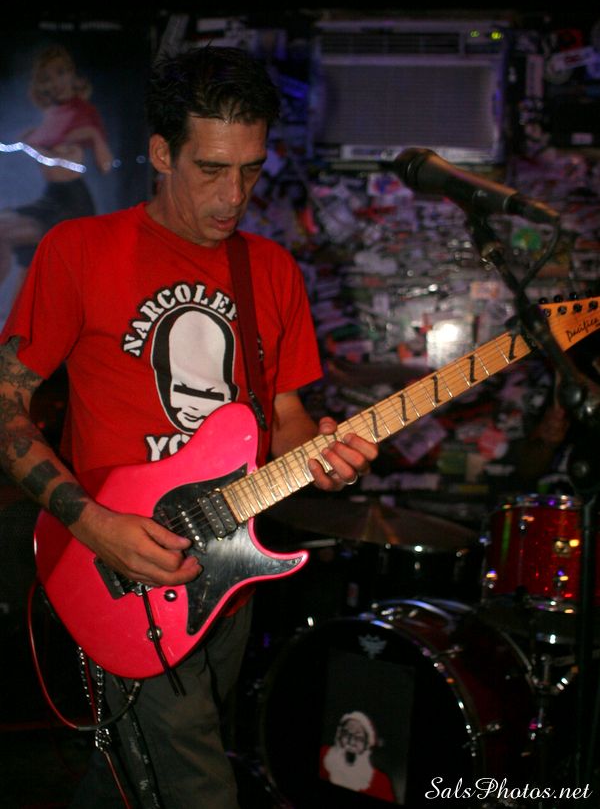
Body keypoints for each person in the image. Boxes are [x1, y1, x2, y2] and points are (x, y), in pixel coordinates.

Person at [0, 45, 377, 809]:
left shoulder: (271, 269)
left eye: (250, 170)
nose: (233, 196)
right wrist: (94, 524)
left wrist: (326, 454)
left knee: (131, 783)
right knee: (200, 790)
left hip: (230, 573)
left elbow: (284, 418)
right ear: (161, 153)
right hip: (123, 569)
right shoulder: (81, 251)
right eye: (211, 169)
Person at [0, 44, 113, 293]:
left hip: (70, 204)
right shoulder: (52, 114)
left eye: (61, 72)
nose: (56, 82)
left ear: (73, 74)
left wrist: (92, 136)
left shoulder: (84, 113)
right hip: (50, 197)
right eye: (47, 77)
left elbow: (105, 165)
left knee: (3, 231)